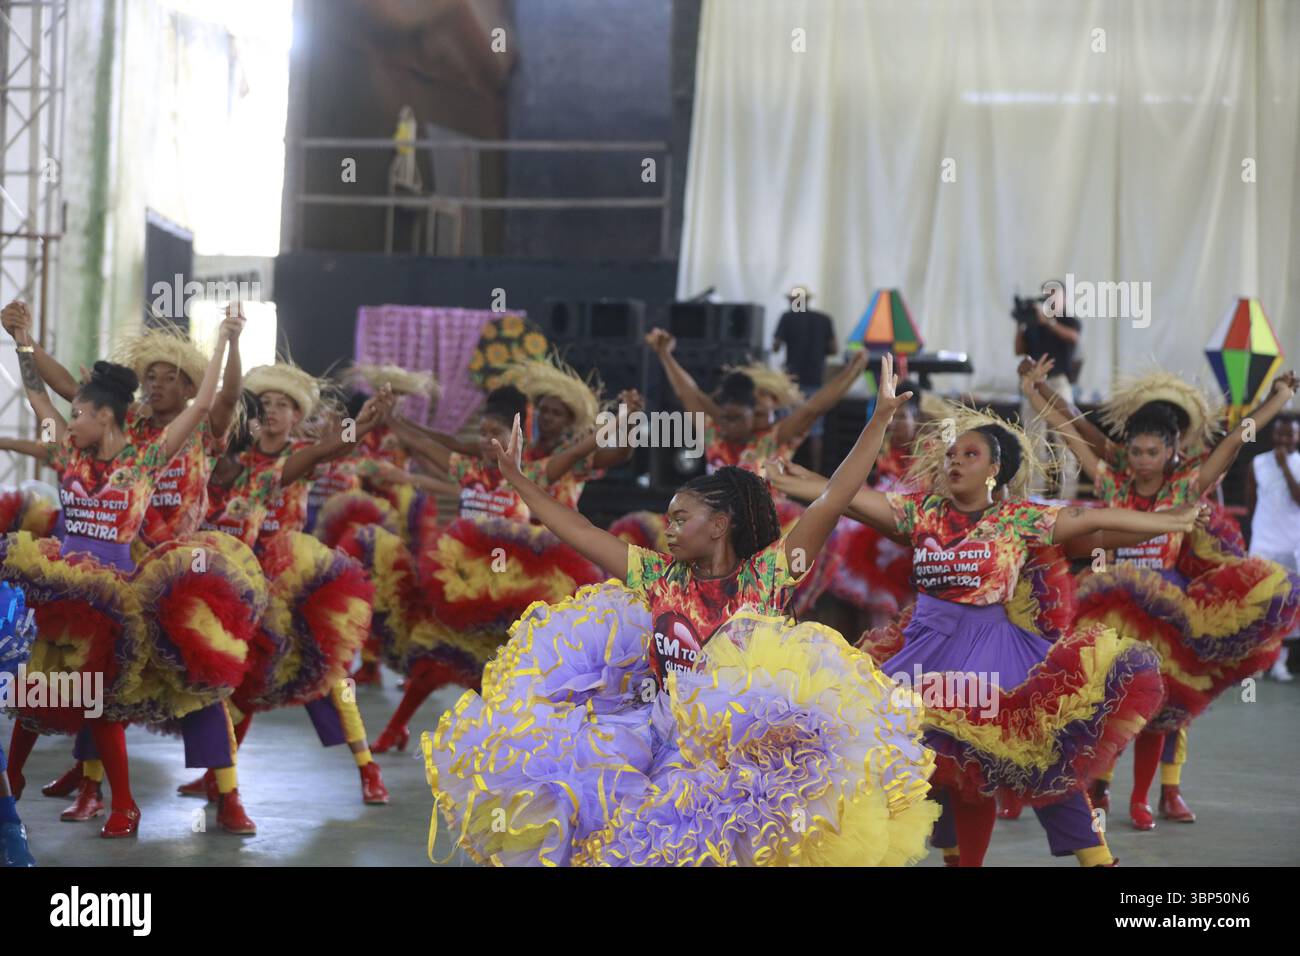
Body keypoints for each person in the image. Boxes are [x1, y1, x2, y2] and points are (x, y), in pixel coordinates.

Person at [422, 356, 942, 866]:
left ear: (720, 524)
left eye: (680, 518)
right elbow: (579, 530)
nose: (666, 527)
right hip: (659, 740)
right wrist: (517, 479)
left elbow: (832, 498)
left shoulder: (768, 574)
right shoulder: (656, 575)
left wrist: (877, 421)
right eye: (668, 518)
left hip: (740, 762)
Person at [3, 313, 255, 838]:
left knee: (155, 693)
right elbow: (40, 399)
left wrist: (229, 339)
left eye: (80, 414)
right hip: (63, 588)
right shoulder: (69, 452)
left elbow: (210, 403)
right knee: (40, 690)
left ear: (103, 416)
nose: (70, 420)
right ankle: (18, 777)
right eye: (152, 377)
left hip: (134, 590)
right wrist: (22, 343)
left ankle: (198, 796)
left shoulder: (148, 459)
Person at [1023, 358, 1300, 830]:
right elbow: (1070, 427)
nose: (1142, 460)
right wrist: (1034, 389)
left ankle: (1148, 797)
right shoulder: (1113, 481)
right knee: (1107, 701)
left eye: (1153, 452)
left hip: (1169, 611)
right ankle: (1097, 790)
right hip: (1109, 607)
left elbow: (1234, 441)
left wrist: (1278, 399)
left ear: (1174, 450)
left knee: (1165, 710)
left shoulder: (1187, 486)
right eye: (1136, 451)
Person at [1245, 414, 1300, 681]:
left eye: (1290, 435)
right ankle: (1257, 662)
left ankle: (1281, 662)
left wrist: (1285, 467)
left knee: (1289, 608)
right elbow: (1251, 501)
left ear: (1298, 437)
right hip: (1264, 545)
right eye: (1280, 434)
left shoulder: (1298, 463)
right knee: (1260, 606)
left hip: (1293, 547)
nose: (1284, 439)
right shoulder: (1257, 463)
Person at [1014, 285, 1082, 498]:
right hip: (1034, 383)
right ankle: (1035, 494)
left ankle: (1068, 495)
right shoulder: (1034, 324)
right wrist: (1021, 324)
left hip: (1058, 383)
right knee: (1033, 439)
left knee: (1066, 439)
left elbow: (1073, 338)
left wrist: (1049, 322)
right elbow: (1019, 350)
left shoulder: (1069, 320)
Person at [773, 285, 838, 471]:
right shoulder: (824, 319)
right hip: (816, 380)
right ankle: (815, 472)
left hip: (792, 384)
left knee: (785, 426)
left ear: (793, 301)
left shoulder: (787, 317)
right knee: (816, 430)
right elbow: (833, 349)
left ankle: (780, 468)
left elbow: (776, 346)